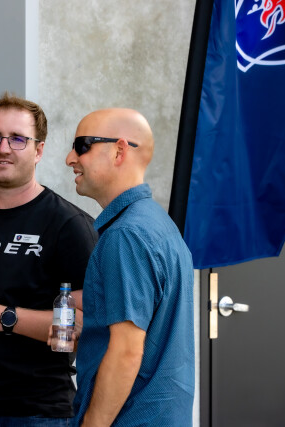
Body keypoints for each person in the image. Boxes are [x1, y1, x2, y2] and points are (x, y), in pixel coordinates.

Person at [0, 93, 97, 426]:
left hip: (37, 411)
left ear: (39, 150)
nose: (3, 148)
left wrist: (6, 318)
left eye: (18, 139)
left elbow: (85, 325)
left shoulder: (68, 226)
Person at [65, 109, 194, 426]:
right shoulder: (157, 224)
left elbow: (126, 351)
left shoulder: (126, 235)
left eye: (82, 146)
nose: (70, 158)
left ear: (119, 150)